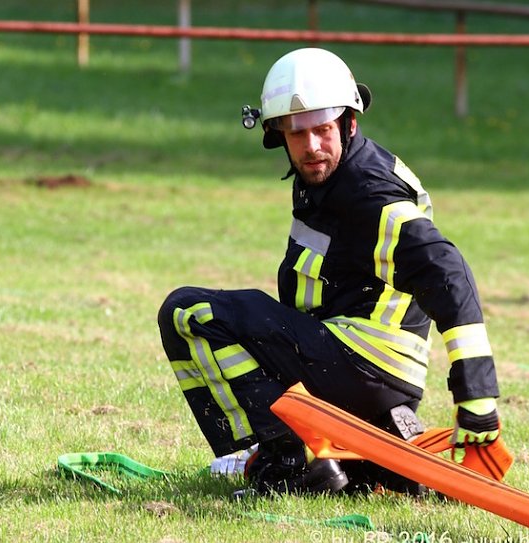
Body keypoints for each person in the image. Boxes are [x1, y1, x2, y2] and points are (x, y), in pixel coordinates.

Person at [158, 47, 501, 496]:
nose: (312, 146)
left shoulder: (366, 193)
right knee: (365, 476)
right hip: (369, 373)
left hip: (364, 365)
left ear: (349, 123)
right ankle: (367, 458)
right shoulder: (331, 175)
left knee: (189, 312)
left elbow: (447, 270)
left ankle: (286, 459)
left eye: (323, 130)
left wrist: (476, 392)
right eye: (297, 134)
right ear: (277, 134)